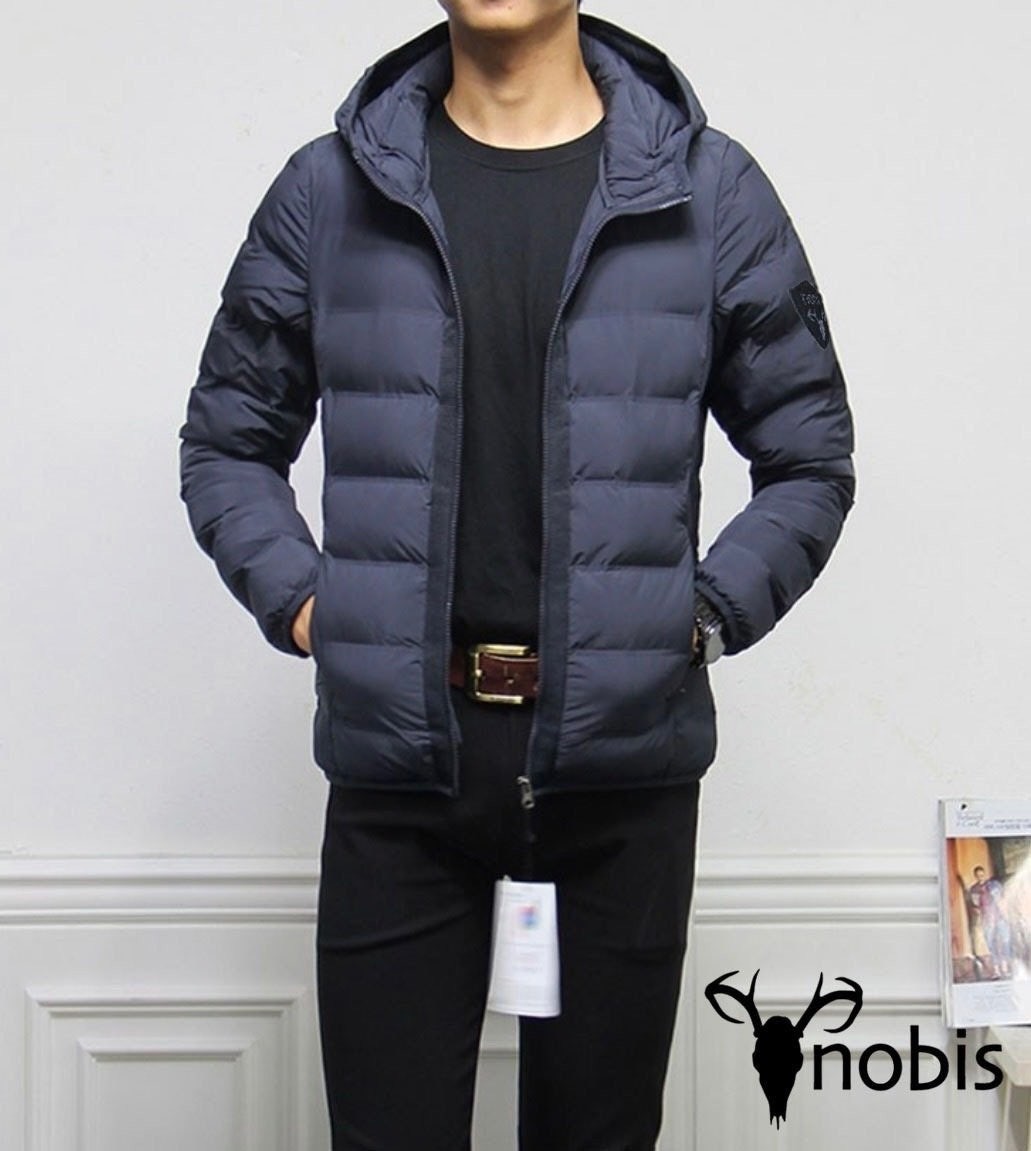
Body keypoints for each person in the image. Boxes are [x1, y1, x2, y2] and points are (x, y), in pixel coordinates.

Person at [178, 1, 855, 1146]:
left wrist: (694, 619)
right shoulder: (329, 192)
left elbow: (808, 460)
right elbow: (226, 443)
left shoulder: (709, 192)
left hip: (620, 776)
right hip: (401, 770)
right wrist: (307, 607)